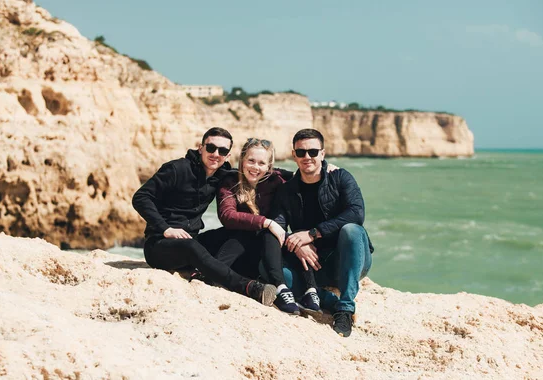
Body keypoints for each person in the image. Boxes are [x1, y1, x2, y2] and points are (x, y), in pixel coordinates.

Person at [132, 127, 277, 306]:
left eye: (222, 151)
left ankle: (205, 275)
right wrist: (165, 229)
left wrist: (295, 176)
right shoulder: (177, 169)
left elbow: (254, 171)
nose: (216, 154)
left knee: (242, 231)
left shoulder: (220, 174)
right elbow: (141, 197)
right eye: (211, 148)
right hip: (159, 246)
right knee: (191, 245)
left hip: (191, 241)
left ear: (228, 155)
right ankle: (249, 287)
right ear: (201, 148)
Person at [264, 128, 374, 337]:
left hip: (349, 259)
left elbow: (356, 214)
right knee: (272, 271)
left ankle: (345, 309)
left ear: (322, 154)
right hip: (313, 267)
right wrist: (297, 243)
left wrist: (313, 233)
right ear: (294, 155)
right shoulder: (287, 191)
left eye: (313, 152)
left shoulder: (340, 177)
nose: (308, 157)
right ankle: (330, 301)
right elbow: (278, 226)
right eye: (302, 152)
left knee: (352, 230)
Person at [214, 138, 322, 315]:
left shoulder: (276, 180)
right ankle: (281, 289)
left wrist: (327, 169)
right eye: (251, 161)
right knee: (267, 231)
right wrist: (267, 222)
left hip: (267, 245)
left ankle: (311, 291)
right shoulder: (230, 182)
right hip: (238, 245)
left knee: (295, 238)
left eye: (261, 163)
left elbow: (305, 176)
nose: (255, 167)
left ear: (269, 167)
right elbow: (227, 216)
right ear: (242, 161)